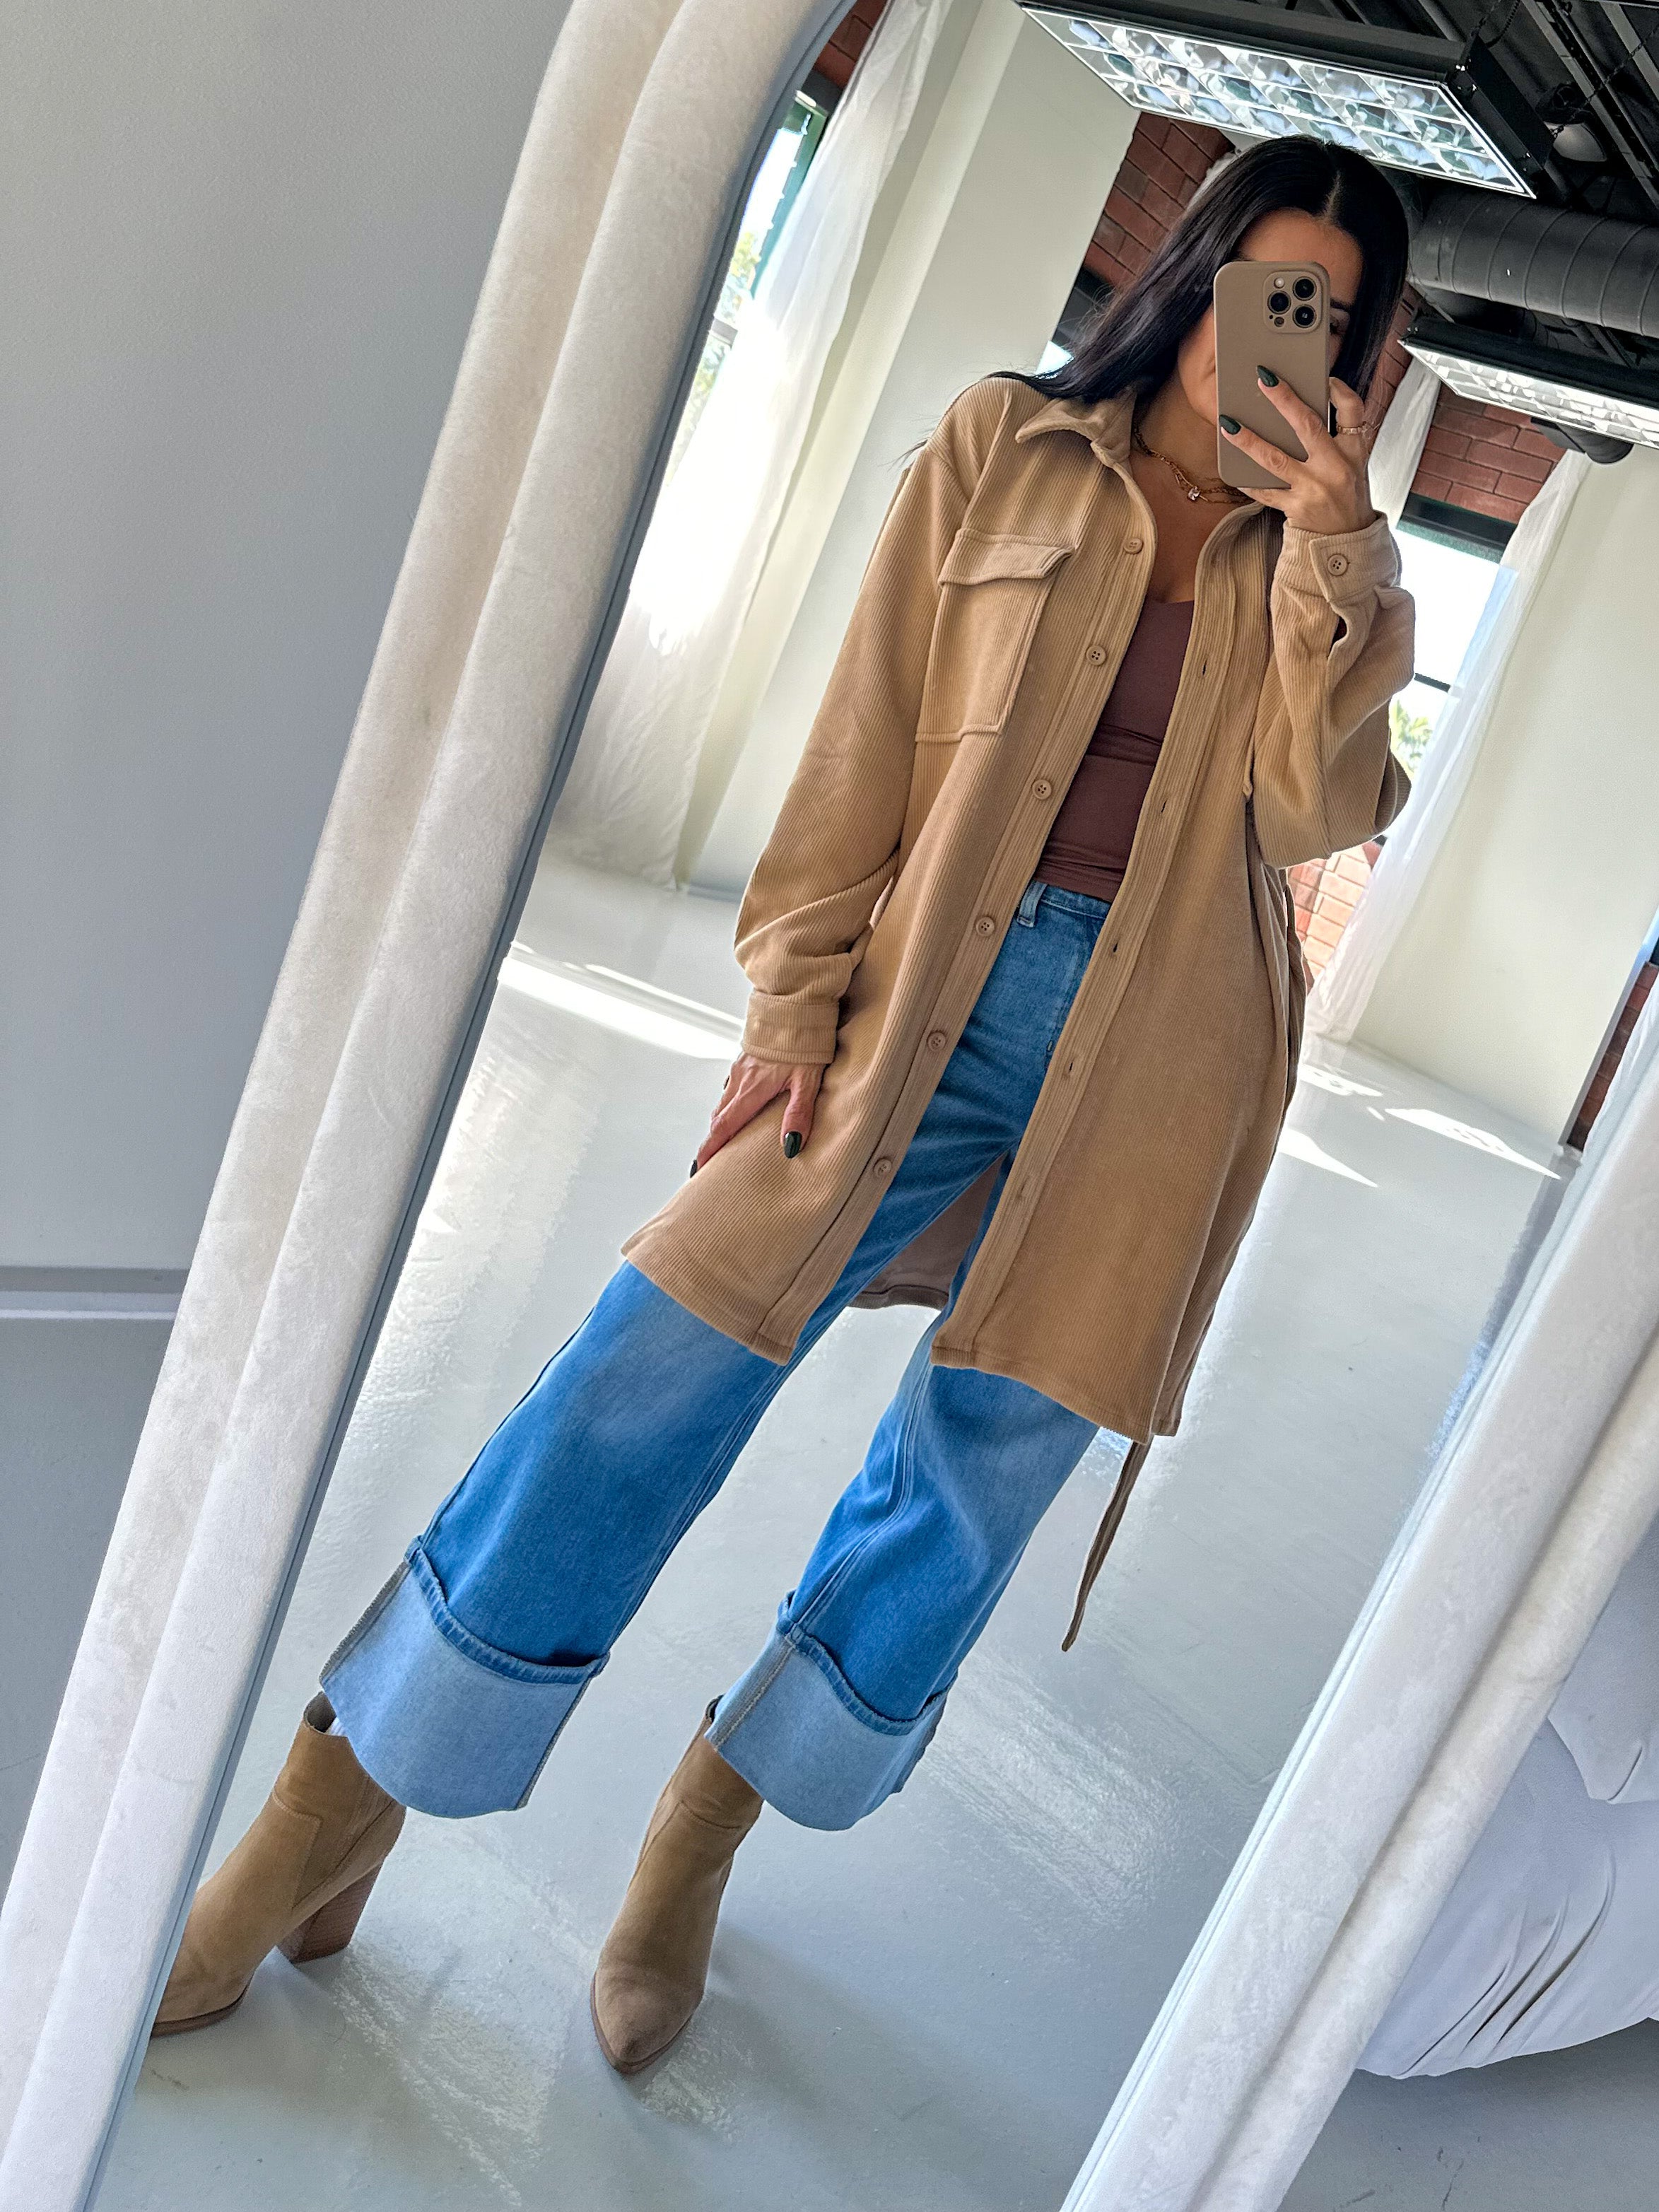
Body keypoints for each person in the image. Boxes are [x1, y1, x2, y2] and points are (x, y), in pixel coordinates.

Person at [154, 135, 1414, 2071]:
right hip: (921, 1002)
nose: (1278, 331)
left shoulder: (1315, 563)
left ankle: (702, 1828)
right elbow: (862, 738)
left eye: (1324, 312)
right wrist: (793, 994)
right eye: (1267, 277)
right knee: (643, 1367)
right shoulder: (1004, 445)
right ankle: (343, 1796)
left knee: (972, 1483)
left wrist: (1338, 549)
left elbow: (1311, 813)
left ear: (1356, 355)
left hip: (1160, 1070)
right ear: (1198, 271)